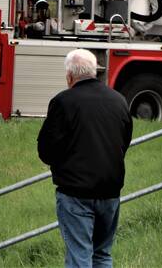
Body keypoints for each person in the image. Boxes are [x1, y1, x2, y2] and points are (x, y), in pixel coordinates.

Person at [37, 49, 132, 268]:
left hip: (75, 193)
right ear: (95, 72)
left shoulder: (62, 102)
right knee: (102, 254)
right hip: (110, 191)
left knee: (80, 255)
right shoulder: (118, 100)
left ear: (69, 76)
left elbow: (46, 150)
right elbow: (123, 142)